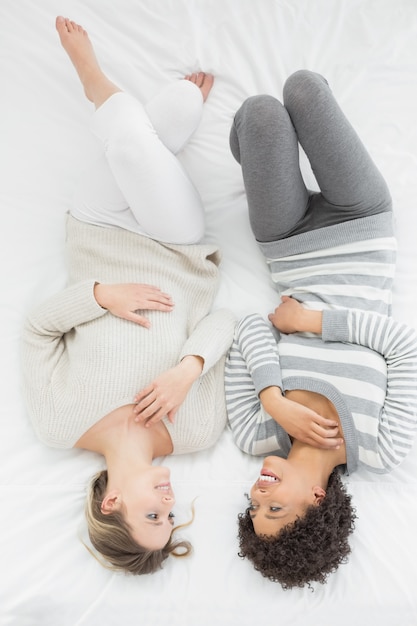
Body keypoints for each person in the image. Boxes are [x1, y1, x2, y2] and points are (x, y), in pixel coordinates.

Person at [21, 17, 235, 575]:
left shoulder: (59, 425)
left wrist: (100, 296)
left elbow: (37, 329)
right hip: (174, 245)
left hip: (96, 229)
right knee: (167, 122)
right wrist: (187, 370)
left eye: (153, 516)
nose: (169, 503)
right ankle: (139, 123)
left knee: (157, 128)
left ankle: (92, 79)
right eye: (173, 517)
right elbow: (225, 322)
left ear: (112, 504)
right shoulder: (192, 431)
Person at [225, 70, 417, 589]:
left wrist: (273, 398)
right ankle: (274, 150)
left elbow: (247, 329)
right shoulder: (380, 449)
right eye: (273, 509)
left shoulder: (257, 431)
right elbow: (404, 348)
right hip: (363, 228)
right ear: (314, 503)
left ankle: (256, 146)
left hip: (287, 245)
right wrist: (309, 322)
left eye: (253, 507)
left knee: (261, 113)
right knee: (304, 89)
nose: (257, 493)